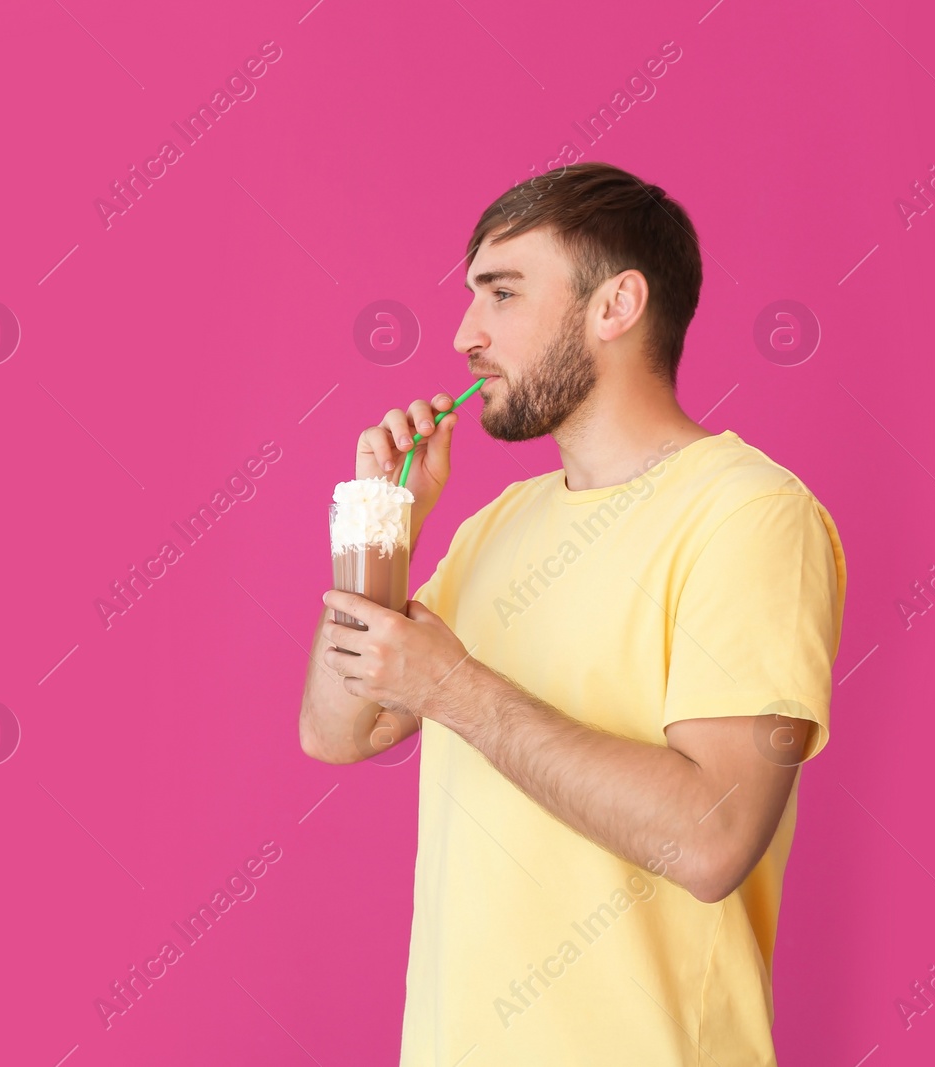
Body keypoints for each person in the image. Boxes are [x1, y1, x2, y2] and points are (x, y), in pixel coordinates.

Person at [298, 162, 847, 1066]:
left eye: (502, 292)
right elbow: (340, 728)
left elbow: (712, 837)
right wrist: (379, 525)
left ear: (616, 304)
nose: (465, 334)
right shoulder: (497, 526)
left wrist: (458, 689)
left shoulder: (751, 513)